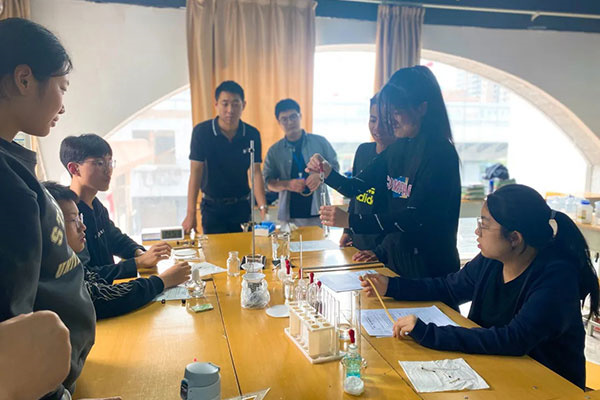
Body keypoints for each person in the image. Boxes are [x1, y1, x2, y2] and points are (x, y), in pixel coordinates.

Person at [361, 184, 599, 390]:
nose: (477, 231)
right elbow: (449, 287)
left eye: (484, 225)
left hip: (546, 386)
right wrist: (392, 286)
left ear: (514, 238)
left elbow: (513, 339)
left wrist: (428, 333)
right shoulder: (493, 260)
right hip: (495, 370)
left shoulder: (556, 278)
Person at [0, 17, 96, 400]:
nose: (63, 105)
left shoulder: (14, 166)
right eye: (61, 87)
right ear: (24, 80)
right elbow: (13, 332)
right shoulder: (7, 184)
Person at [307, 66, 461, 278]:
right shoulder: (400, 146)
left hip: (429, 270)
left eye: (396, 112)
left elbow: (413, 218)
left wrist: (351, 221)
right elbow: (356, 187)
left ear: (421, 108)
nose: (389, 120)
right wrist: (327, 171)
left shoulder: (440, 153)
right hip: (397, 265)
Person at [43, 182, 192, 319]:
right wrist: (162, 281)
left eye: (79, 218)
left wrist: (140, 256)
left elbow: (95, 278)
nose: (82, 227)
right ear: (49, 227)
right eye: (73, 220)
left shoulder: (66, 262)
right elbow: (103, 298)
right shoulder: (52, 274)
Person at [60, 134, 171, 280]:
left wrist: (140, 253)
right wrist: (139, 262)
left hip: (111, 289)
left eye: (110, 162)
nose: (108, 170)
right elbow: (87, 276)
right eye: (100, 163)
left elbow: (115, 239)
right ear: (74, 169)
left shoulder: (96, 205)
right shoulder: (69, 215)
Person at [182, 80, 268, 234]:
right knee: (214, 249)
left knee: (244, 248)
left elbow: (255, 172)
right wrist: (190, 213)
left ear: (243, 105)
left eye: (235, 104)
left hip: (241, 206)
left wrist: (263, 208)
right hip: (212, 207)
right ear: (216, 104)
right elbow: (195, 172)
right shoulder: (202, 132)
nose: (230, 110)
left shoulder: (251, 134)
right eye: (225, 104)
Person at [263, 98, 339, 227]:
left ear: (300, 116)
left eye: (293, 117)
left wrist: (320, 176)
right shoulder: (274, 151)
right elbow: (267, 183)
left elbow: (335, 168)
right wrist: (287, 184)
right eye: (284, 119)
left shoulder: (320, 142)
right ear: (278, 122)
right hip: (288, 217)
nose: (290, 122)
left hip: (319, 213)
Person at [339, 95, 396, 250]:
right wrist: (347, 230)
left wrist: (380, 251)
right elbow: (354, 195)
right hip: (358, 243)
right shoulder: (363, 150)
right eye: (373, 120)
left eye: (385, 122)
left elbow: (399, 216)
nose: (377, 127)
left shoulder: (400, 159)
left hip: (384, 248)